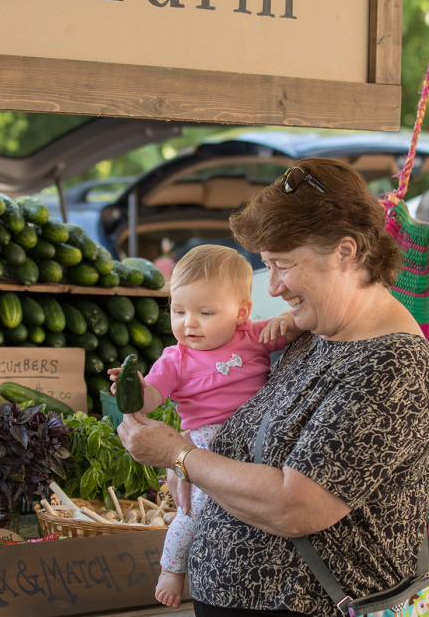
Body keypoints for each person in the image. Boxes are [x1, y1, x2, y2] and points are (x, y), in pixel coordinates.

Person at [118, 158, 429, 617]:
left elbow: (297, 506)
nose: (273, 286)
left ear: (345, 252)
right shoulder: (315, 334)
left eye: (282, 265)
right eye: (266, 266)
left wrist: (180, 455)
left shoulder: (394, 365)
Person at [110, 244, 304, 608]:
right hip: (207, 443)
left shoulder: (252, 336)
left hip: (258, 438)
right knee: (194, 511)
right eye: (178, 310)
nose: (189, 323)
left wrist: (288, 320)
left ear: (241, 312)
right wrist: (134, 386)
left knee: (262, 502)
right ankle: (172, 568)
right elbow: (152, 396)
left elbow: (295, 329)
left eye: (205, 312)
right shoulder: (176, 359)